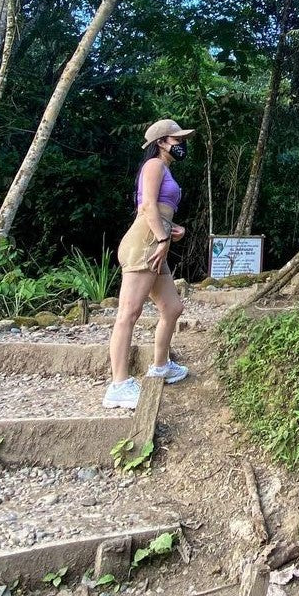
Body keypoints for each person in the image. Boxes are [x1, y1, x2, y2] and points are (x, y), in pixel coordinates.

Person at [104, 119, 194, 409]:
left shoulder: (163, 168)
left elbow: (159, 211)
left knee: (172, 307)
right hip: (145, 244)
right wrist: (163, 238)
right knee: (128, 313)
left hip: (155, 242)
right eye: (177, 140)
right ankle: (118, 385)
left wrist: (173, 230)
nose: (181, 144)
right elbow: (147, 208)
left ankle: (160, 366)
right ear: (161, 143)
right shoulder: (154, 165)